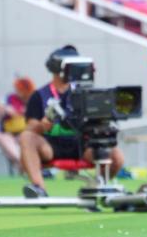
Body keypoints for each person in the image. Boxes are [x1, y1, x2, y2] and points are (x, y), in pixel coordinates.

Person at [18, 45, 124, 198]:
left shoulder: (85, 93)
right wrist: (42, 125)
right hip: (50, 146)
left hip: (83, 145)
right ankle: (38, 187)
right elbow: (31, 126)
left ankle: (95, 188)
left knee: (116, 156)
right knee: (26, 137)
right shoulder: (39, 95)